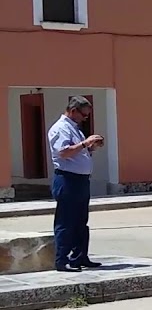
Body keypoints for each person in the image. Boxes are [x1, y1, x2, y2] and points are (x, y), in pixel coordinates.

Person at [46, 96, 104, 272]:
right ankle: (61, 260)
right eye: (83, 115)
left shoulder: (74, 129)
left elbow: (77, 151)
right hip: (67, 180)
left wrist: (90, 147)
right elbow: (63, 152)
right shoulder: (60, 128)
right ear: (73, 111)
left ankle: (79, 257)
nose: (85, 118)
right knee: (66, 221)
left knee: (80, 221)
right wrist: (85, 143)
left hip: (80, 181)